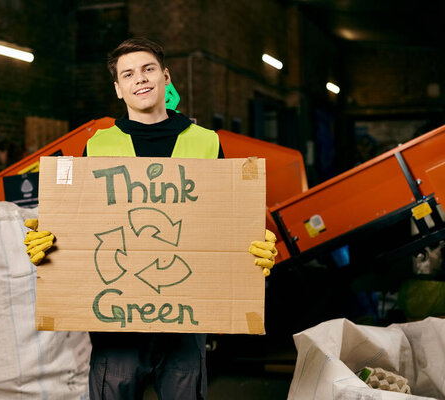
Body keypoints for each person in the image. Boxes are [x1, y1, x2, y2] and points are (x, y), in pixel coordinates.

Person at [24, 37, 277, 400]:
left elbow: (224, 218)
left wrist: (252, 245)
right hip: (116, 322)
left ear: (165, 76)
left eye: (148, 69)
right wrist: (52, 242)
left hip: (186, 319)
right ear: (118, 88)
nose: (140, 79)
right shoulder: (97, 146)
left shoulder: (206, 142)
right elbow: (82, 221)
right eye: (128, 74)